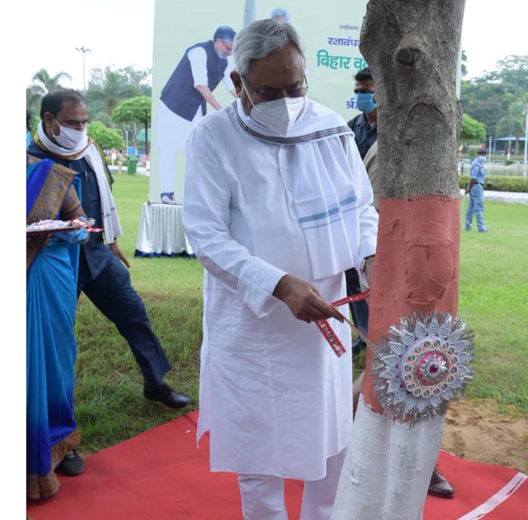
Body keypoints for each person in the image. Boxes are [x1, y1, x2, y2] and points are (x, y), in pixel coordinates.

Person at [183, 19, 378, 520]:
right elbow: (205, 236)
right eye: (270, 91)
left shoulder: (330, 127)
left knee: (331, 438)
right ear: (237, 84)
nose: (286, 100)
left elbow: (361, 209)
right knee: (258, 449)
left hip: (323, 316)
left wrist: (370, 256)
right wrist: (278, 284)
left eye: (295, 86)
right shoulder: (213, 136)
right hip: (252, 325)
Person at [27, 89, 191, 409]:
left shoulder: (89, 151)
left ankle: (155, 383)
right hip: (57, 264)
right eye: (72, 123)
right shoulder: (31, 160)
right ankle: (54, 413)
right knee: (55, 340)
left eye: (84, 121)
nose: (81, 130)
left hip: (98, 255)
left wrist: (112, 240)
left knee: (134, 314)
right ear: (49, 120)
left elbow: (102, 197)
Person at [357, 138, 456, 500]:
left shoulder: (429, 146)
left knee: (403, 362)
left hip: (423, 273)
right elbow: (380, 215)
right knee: (401, 363)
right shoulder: (394, 146)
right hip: (396, 271)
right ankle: (409, 459)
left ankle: (406, 454)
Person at [26, 154, 89, 499]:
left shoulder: (50, 176)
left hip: (48, 277)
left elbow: (78, 221)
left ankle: (60, 442)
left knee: (52, 364)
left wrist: (75, 231)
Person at [154, 26, 238, 204]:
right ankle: (167, 193)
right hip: (173, 105)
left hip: (195, 109)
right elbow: (201, 85)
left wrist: (246, 100)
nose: (230, 52)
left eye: (232, 49)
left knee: (197, 150)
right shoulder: (198, 52)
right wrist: (221, 109)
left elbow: (231, 86)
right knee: (168, 150)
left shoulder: (224, 62)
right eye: (228, 48)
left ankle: (195, 195)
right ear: (217, 41)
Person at [343, 67, 377, 356]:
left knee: (376, 276)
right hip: (353, 215)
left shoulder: (391, 129)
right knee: (352, 278)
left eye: (366, 92)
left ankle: (375, 334)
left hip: (380, 214)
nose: (361, 97)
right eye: (357, 92)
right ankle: (362, 332)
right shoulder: (351, 127)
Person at [464, 147, 488, 232]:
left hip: (476, 186)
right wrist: (468, 188)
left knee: (471, 208)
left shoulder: (480, 163)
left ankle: (467, 226)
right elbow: (473, 177)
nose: (484, 157)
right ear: (479, 155)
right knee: (479, 207)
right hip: (476, 186)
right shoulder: (476, 163)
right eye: (483, 155)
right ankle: (481, 228)